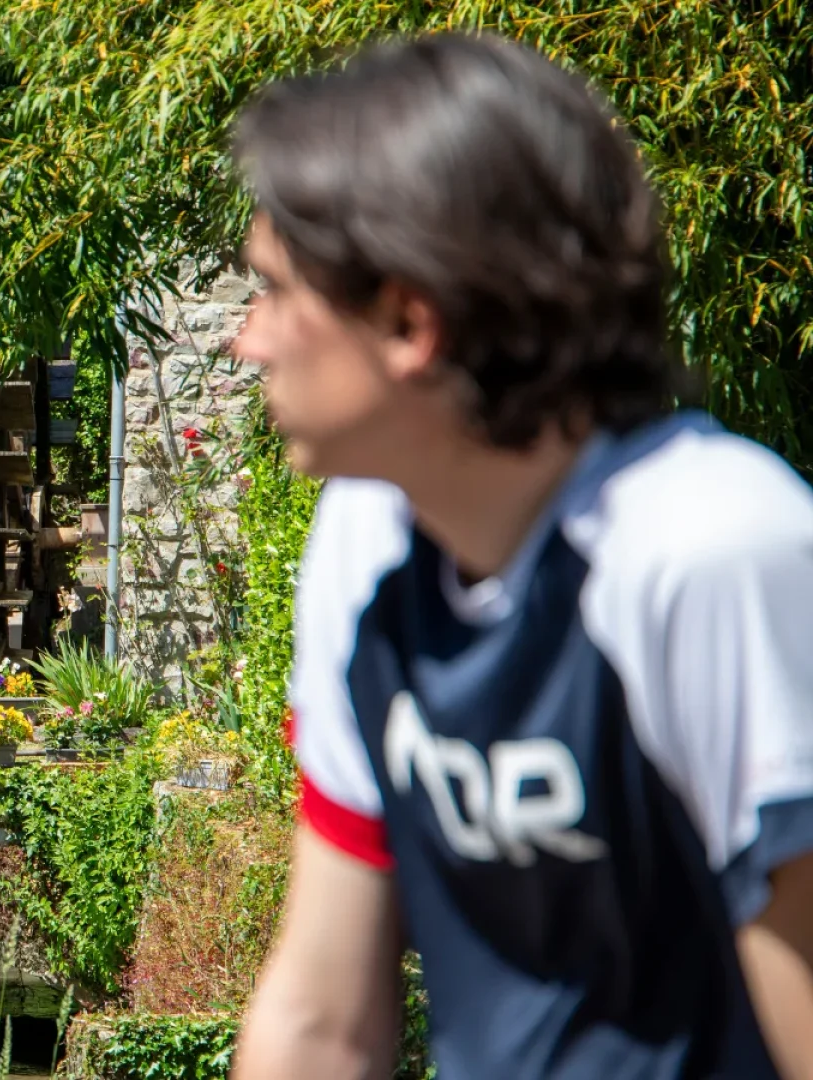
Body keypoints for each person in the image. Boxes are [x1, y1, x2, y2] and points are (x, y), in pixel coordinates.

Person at [226, 32, 813, 1080]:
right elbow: (320, 1023)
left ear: (411, 320)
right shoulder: (367, 536)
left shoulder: (715, 553)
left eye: (272, 292)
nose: (246, 340)